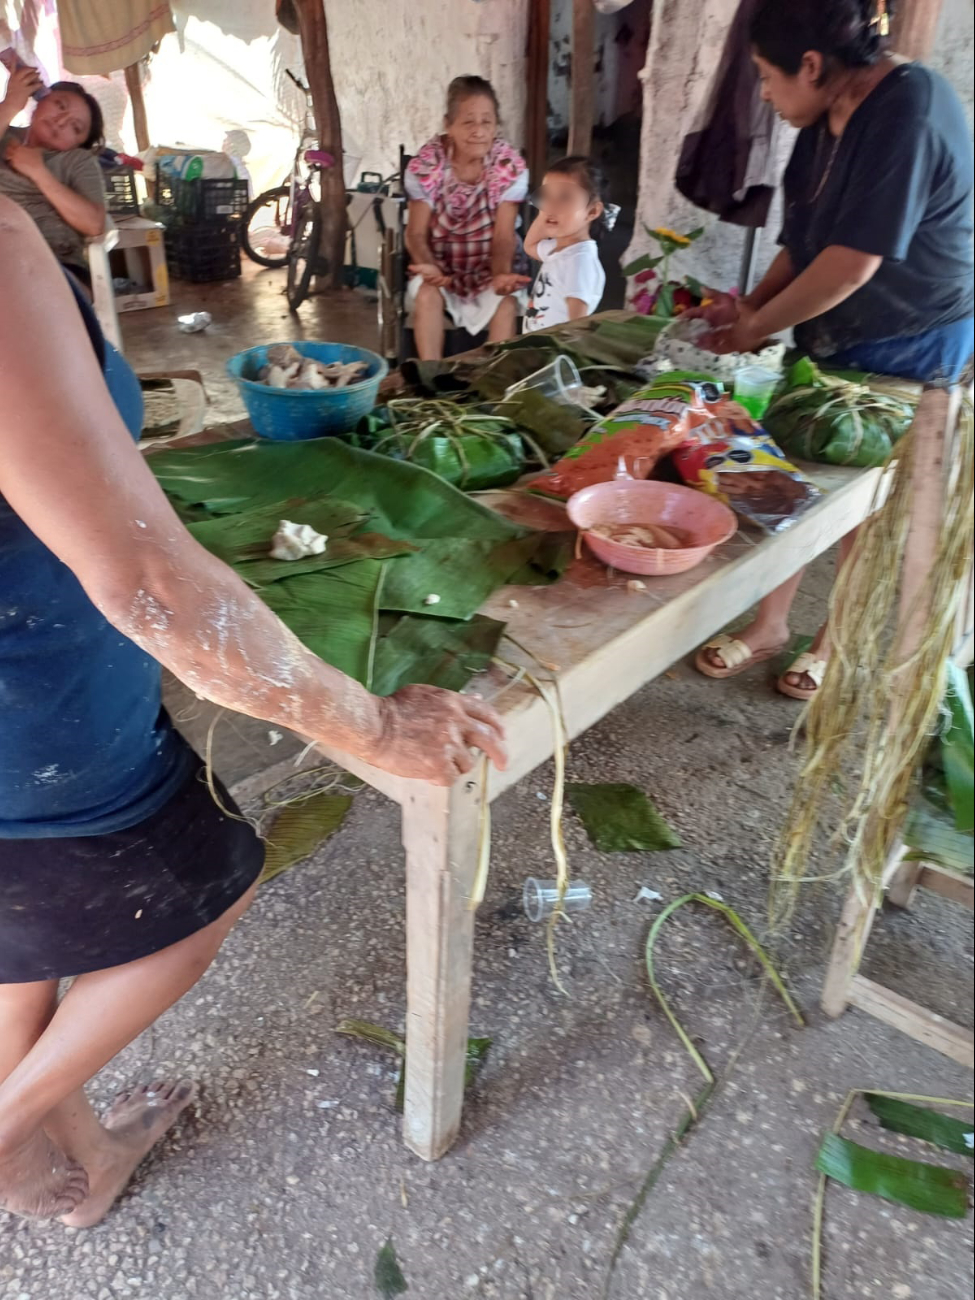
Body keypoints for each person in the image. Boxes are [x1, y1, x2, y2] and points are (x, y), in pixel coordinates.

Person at [0, 197, 506, 1227]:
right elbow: (149, 582)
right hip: (39, 722)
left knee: (26, 932)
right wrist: (367, 722)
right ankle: (12, 1119)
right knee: (209, 883)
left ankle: (82, 1159)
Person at [692, 0, 974, 700]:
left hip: (914, 334)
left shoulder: (907, 108)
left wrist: (755, 330)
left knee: (862, 499)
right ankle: (770, 625)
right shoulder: (820, 120)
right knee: (788, 480)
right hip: (834, 333)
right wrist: (751, 307)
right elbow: (805, 243)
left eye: (764, 75)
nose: (761, 92)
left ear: (810, 65)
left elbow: (850, 264)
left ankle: (832, 641)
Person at [405, 75, 531, 360]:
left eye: (487, 122)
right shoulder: (428, 164)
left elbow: (503, 236)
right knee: (427, 296)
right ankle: (431, 382)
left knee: (506, 303)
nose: (478, 131)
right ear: (448, 125)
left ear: (496, 125)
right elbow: (415, 234)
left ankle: (491, 388)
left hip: (488, 267)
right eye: (468, 122)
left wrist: (500, 275)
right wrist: (429, 265)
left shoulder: (508, 166)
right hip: (441, 266)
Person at [0, 67, 107, 286]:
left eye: (75, 127)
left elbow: (94, 224)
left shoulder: (77, 161)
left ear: (78, 144)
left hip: (55, 264)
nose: (60, 121)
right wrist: (11, 103)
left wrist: (39, 173)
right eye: (60, 106)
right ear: (40, 100)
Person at [523, 155, 608, 332]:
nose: (552, 205)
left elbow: (577, 323)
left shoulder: (579, 261)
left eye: (564, 198)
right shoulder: (559, 249)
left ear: (592, 211)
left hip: (554, 352)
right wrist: (544, 213)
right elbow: (530, 246)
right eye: (546, 196)